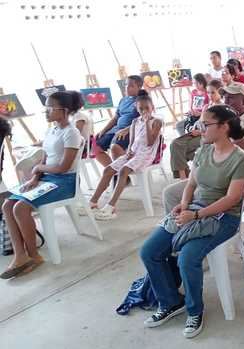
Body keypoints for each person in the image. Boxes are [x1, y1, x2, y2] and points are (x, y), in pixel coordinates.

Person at [140, 105, 244, 338]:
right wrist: (183, 204)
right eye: (199, 123)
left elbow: (232, 199)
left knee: (188, 257)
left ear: (224, 127)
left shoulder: (241, 160)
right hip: (194, 210)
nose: (199, 128)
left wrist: (197, 215)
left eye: (205, 124)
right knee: (149, 251)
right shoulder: (203, 150)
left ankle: (194, 310)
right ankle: (171, 301)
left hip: (223, 218)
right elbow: (191, 184)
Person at [1, 91, 83, 279]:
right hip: (47, 178)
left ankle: (33, 255)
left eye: (50, 108)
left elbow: (64, 167)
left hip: (65, 182)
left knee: (20, 208)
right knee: (7, 205)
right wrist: (35, 177)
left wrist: (39, 167)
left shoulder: (72, 133)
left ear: (65, 110)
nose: (46, 111)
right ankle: (20, 255)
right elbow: (46, 157)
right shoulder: (52, 130)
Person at [161, 82, 244, 216]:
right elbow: (205, 140)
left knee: (191, 194)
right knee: (170, 192)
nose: (226, 100)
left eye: (231, 97)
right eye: (225, 97)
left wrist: (214, 133)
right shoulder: (219, 119)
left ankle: (190, 220)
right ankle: (178, 222)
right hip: (210, 168)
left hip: (229, 175)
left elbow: (233, 148)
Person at [87, 90, 163, 220]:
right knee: (108, 169)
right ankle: (93, 202)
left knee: (123, 170)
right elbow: (132, 141)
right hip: (134, 153)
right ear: (136, 108)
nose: (144, 111)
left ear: (152, 108)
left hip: (146, 155)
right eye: (141, 108)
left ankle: (111, 206)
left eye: (147, 108)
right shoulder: (134, 122)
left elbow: (150, 143)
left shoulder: (156, 122)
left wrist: (146, 124)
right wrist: (128, 151)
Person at [170, 79, 223, 179]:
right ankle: (186, 176)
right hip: (197, 132)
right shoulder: (207, 106)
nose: (210, 95)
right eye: (208, 92)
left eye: (213, 92)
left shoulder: (221, 108)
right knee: (175, 144)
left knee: (178, 147)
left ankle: (184, 178)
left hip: (207, 136)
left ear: (219, 92)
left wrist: (199, 132)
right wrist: (193, 128)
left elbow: (217, 128)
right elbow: (200, 121)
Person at [94, 75, 142, 167]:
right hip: (117, 129)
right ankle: (114, 171)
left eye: (131, 86)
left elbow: (144, 120)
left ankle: (123, 173)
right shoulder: (123, 100)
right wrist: (103, 130)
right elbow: (115, 118)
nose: (127, 88)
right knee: (95, 146)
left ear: (139, 87)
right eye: (126, 85)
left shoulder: (142, 100)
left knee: (114, 147)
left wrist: (128, 129)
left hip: (131, 130)